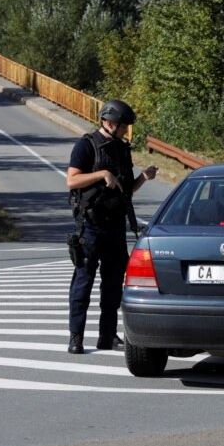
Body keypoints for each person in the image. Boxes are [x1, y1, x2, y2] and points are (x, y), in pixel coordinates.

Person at [66, 99, 157, 354]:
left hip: (115, 226)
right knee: (83, 282)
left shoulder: (121, 148)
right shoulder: (86, 146)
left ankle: (107, 335)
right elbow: (71, 181)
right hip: (91, 227)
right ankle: (76, 337)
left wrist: (143, 178)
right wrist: (101, 174)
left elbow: (125, 189)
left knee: (114, 283)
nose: (126, 131)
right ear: (109, 122)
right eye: (123, 126)